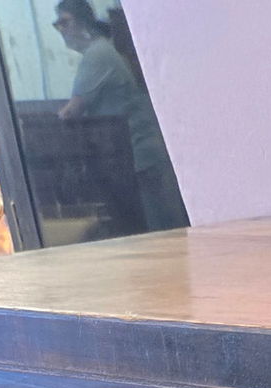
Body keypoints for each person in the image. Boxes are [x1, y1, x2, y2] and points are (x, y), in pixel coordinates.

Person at [50, 0, 186, 232]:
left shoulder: (98, 54)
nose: (61, 29)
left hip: (140, 156)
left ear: (83, 20)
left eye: (65, 22)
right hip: (133, 156)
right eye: (57, 24)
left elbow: (71, 112)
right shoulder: (98, 52)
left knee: (163, 229)